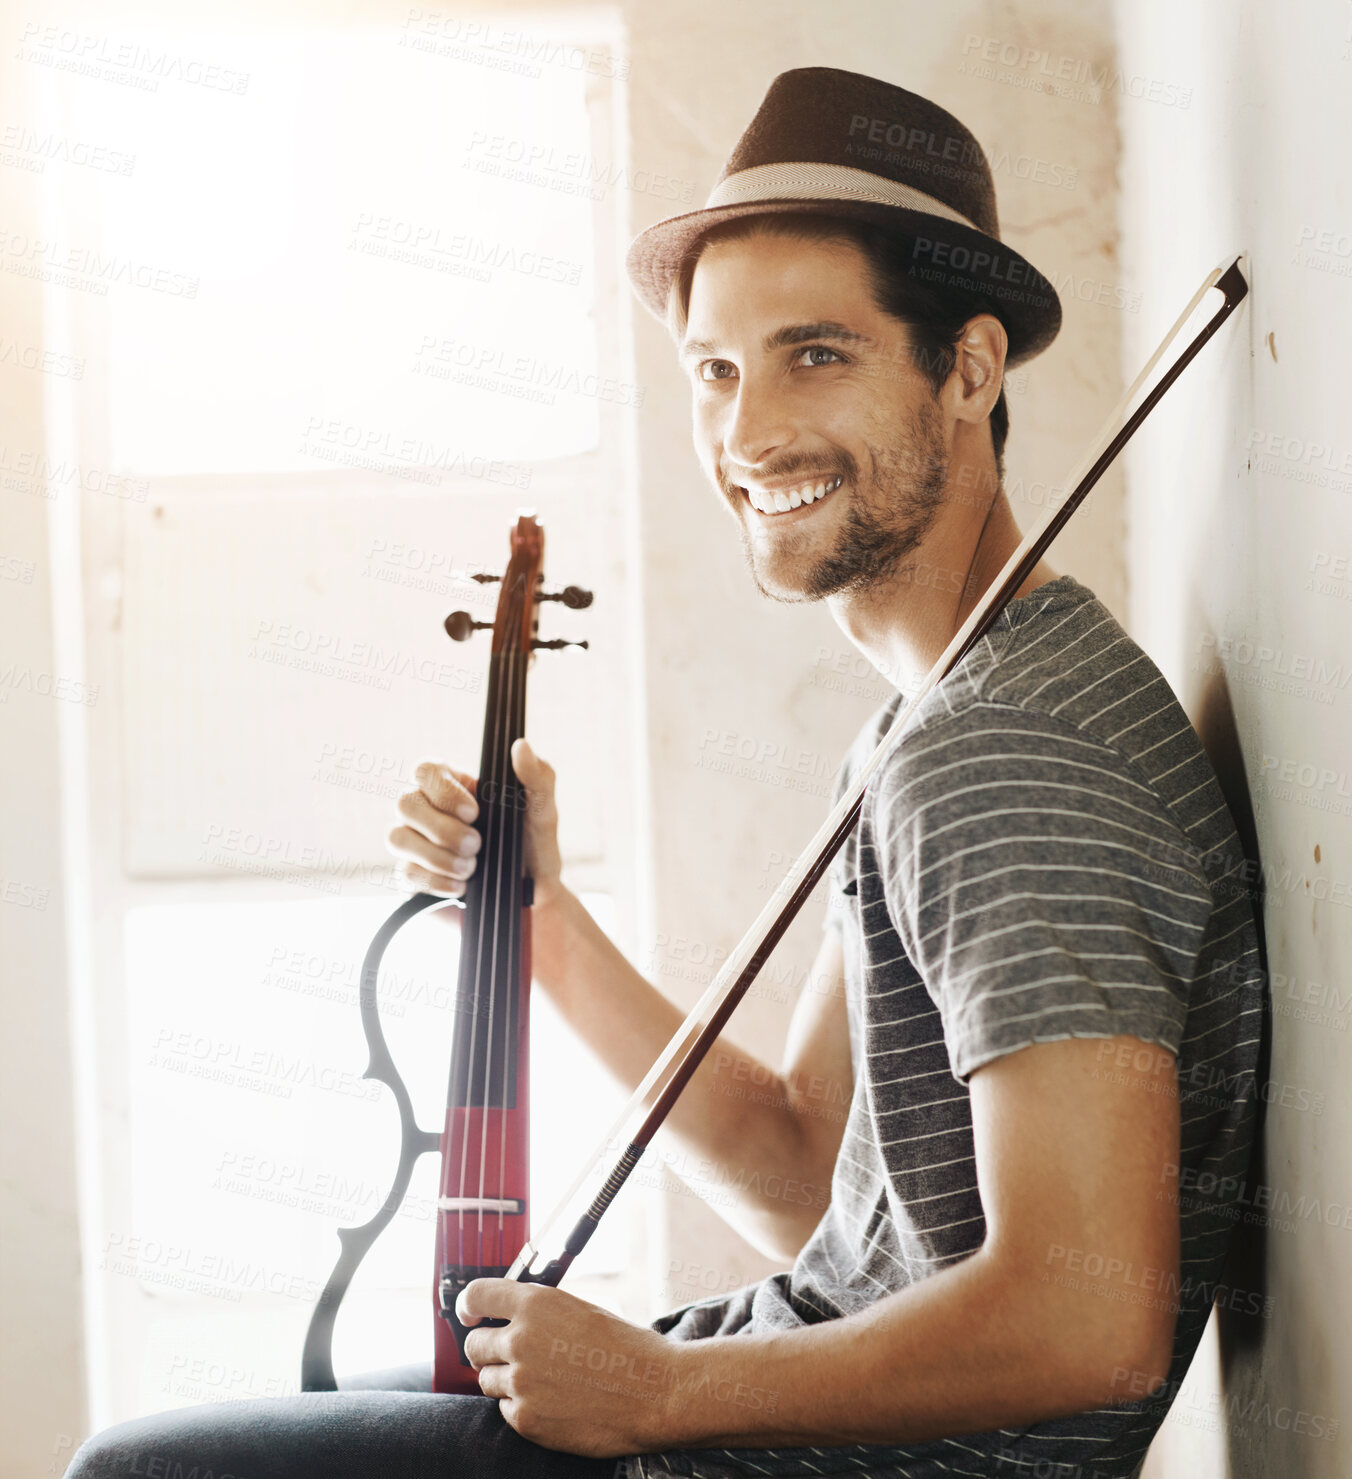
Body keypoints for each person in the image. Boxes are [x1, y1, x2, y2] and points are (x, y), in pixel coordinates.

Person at [66, 66, 1264, 1479]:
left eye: (815, 354)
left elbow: (1086, 1316)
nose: (746, 432)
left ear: (970, 368)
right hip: (737, 1401)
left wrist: (661, 1395)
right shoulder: (938, 719)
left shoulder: (1004, 747)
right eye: (715, 368)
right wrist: (548, 929)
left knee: (136, 1473)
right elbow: (812, 1176)